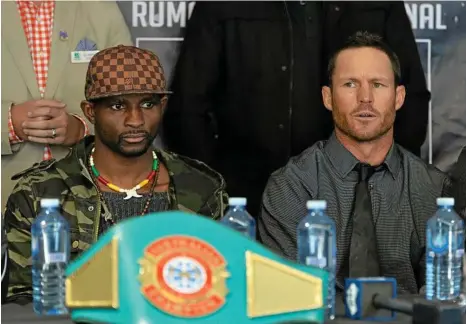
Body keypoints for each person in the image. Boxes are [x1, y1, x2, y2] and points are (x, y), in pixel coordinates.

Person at [162, 1, 430, 217]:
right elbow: (187, 108)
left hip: (356, 199)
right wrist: (219, 189)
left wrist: (383, 182)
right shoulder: (223, 6)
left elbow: (410, 97)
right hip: (246, 202)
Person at [3, 45, 229, 300]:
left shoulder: (201, 189)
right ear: (90, 112)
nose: (135, 120)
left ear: (163, 106)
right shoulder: (40, 194)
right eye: (118, 106)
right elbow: (19, 302)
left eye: (147, 104)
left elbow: (220, 293)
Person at [257, 32, 448, 295]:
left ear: (399, 97)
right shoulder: (290, 187)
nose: (365, 98)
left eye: (378, 85)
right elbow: (287, 296)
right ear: (327, 97)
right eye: (350, 84)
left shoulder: (433, 189)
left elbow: (442, 298)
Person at [1, 0, 133, 209]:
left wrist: (82, 130)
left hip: (88, 206)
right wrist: (8, 123)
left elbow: (130, 101)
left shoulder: (100, 8)